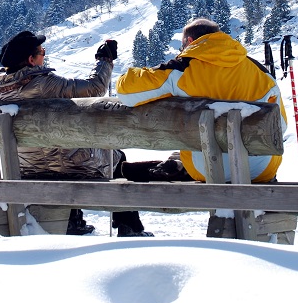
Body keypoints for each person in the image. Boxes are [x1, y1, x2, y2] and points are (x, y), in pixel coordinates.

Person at [0, 30, 152, 237]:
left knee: (64, 149)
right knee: (116, 157)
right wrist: (104, 60)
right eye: (42, 52)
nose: (44, 55)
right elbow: (94, 88)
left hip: (24, 167)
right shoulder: (45, 84)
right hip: (65, 166)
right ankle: (130, 227)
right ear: (31, 60)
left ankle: (74, 221)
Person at [116, 18, 288, 183]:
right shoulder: (260, 72)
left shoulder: (183, 68)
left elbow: (126, 93)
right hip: (260, 169)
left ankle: (176, 165)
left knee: (196, 154)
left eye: (183, 46)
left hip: (206, 169)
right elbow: (281, 124)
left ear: (189, 41)